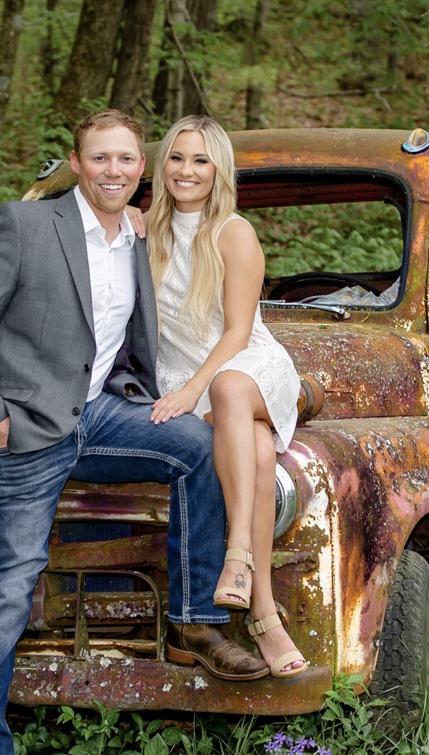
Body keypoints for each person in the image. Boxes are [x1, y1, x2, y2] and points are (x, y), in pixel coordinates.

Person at [0, 109, 268, 755]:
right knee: (6, 586)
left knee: (199, 450)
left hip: (97, 415)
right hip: (24, 429)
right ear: (76, 162)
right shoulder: (27, 225)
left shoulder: (135, 239)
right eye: (100, 159)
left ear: (139, 170)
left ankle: (191, 619)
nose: (113, 171)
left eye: (125, 160)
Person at [146, 115, 307, 679]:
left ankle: (236, 551)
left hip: (244, 365)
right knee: (259, 454)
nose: (186, 171)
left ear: (219, 171)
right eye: (177, 158)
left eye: (200, 160)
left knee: (230, 387)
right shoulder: (144, 232)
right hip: (183, 372)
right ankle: (263, 612)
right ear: (161, 165)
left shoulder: (233, 232)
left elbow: (238, 331)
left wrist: (195, 390)